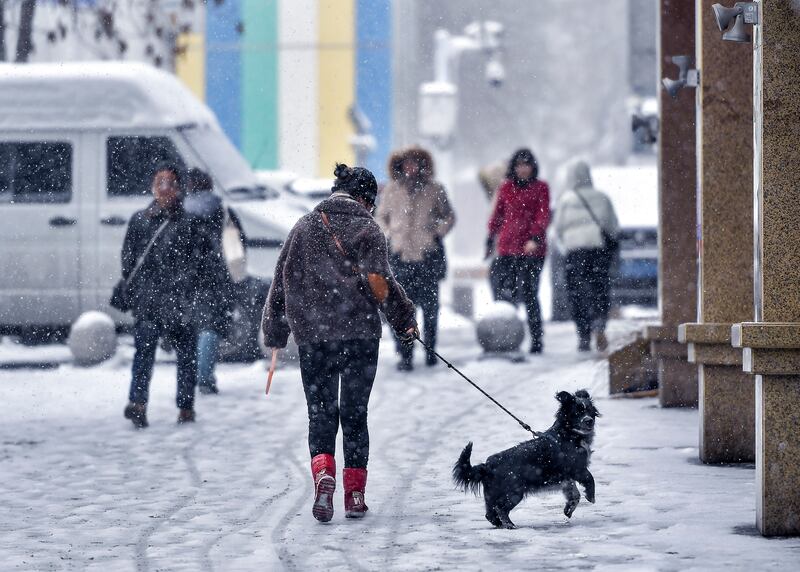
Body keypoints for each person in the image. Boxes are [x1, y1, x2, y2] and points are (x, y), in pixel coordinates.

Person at [262, 164, 418, 522]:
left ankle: (323, 475)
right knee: (354, 414)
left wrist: (275, 331)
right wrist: (403, 319)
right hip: (360, 336)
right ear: (365, 199)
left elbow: (281, 280)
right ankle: (355, 494)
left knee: (320, 412)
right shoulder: (368, 229)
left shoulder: (304, 226)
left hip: (314, 337)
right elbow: (379, 281)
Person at [121, 163, 227, 428]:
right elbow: (128, 260)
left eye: (170, 183)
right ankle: (137, 404)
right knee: (144, 353)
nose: (165, 188)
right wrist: (143, 289)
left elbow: (204, 262)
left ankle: (185, 407)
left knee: (186, 356)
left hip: (180, 301)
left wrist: (189, 287)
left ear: (180, 189)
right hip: (149, 301)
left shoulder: (191, 223)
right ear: (152, 187)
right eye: (160, 183)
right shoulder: (140, 220)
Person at [376, 146, 455, 370]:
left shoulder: (435, 189)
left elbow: (448, 216)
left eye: (415, 163)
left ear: (423, 165)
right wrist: (389, 234)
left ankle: (430, 350)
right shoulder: (391, 190)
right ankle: (405, 354)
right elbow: (381, 216)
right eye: (406, 163)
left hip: (427, 257)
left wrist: (436, 232)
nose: (410, 167)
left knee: (430, 310)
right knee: (401, 310)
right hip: (399, 257)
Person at [184, 168, 245, 395]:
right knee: (211, 326)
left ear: (189, 186)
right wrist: (237, 276)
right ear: (209, 186)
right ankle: (205, 377)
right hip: (217, 277)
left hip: (187, 279)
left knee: (189, 328)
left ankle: (188, 378)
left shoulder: (180, 211)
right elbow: (235, 248)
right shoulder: (222, 211)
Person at [486, 148, 551, 353]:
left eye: (526, 165)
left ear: (533, 167)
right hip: (507, 248)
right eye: (519, 165)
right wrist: (490, 237)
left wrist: (535, 238)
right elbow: (497, 215)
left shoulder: (541, 188)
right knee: (506, 295)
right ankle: (506, 337)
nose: (523, 169)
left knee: (530, 294)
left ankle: (536, 338)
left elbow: (543, 215)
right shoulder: (506, 188)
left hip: (532, 250)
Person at [552, 160, 619, 352]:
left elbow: (558, 228)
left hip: (575, 253)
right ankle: (599, 323)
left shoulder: (565, 200)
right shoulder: (602, 197)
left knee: (576, 293)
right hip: (597, 250)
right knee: (599, 289)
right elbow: (613, 226)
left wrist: (568, 244)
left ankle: (583, 334)